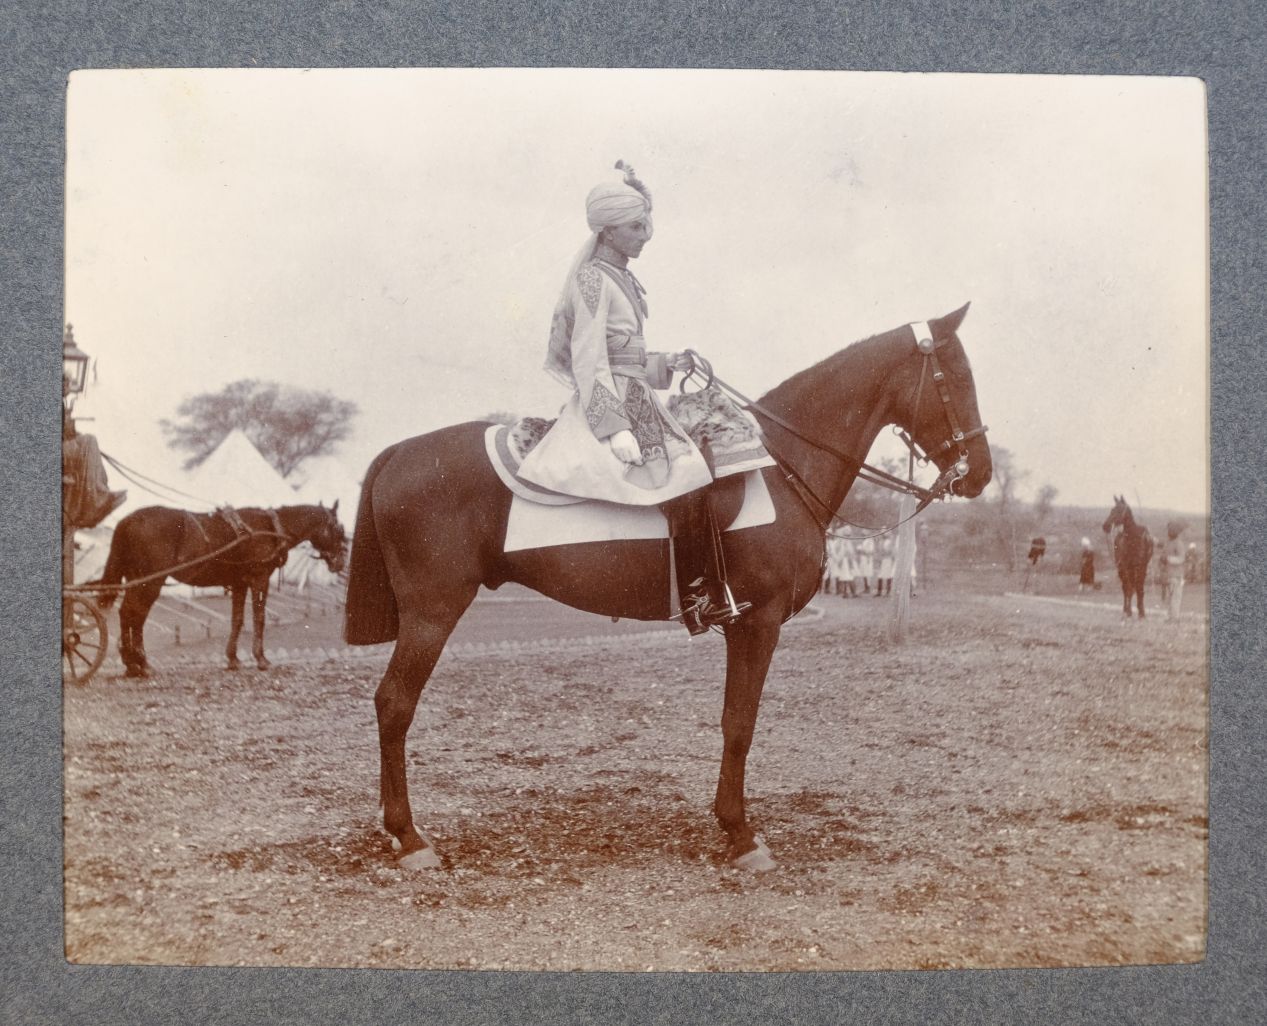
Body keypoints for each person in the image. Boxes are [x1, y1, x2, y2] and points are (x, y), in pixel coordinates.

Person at [517, 162, 743, 636]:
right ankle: (698, 595)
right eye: (635, 227)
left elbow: (625, 355)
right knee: (688, 475)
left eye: (646, 225)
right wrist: (612, 426)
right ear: (606, 230)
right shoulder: (594, 280)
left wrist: (667, 365)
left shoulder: (621, 278)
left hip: (634, 391)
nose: (646, 235)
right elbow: (589, 359)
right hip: (615, 403)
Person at [1162, 521, 1188, 620]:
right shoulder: (1168, 542)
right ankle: (1170, 617)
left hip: (1177, 575)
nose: (1168, 532)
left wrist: (1167, 559)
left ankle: (1175, 618)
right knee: (1169, 598)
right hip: (1168, 575)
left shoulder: (1178, 543)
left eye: (1170, 530)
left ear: (1175, 532)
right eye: (1168, 530)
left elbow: (1181, 558)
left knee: (1175, 598)